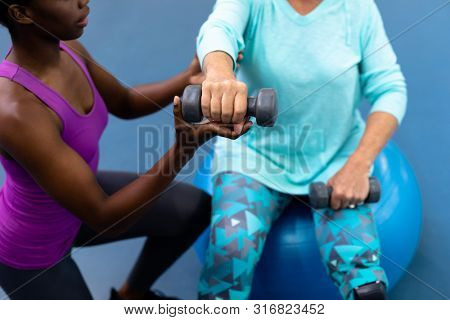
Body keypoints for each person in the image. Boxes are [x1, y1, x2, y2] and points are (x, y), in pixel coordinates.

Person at [0, 0, 252, 300]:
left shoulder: (67, 47)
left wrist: (188, 79)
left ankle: (131, 293)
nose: (84, 1)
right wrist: (184, 148)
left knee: (194, 210)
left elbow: (124, 102)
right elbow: (104, 218)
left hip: (81, 198)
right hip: (35, 251)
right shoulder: (15, 111)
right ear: (22, 13)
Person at [196, 0, 407, 299]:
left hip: (335, 159)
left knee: (365, 284)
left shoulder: (358, 8)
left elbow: (390, 88)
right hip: (255, 158)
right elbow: (220, 28)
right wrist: (218, 72)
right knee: (230, 251)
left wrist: (358, 165)